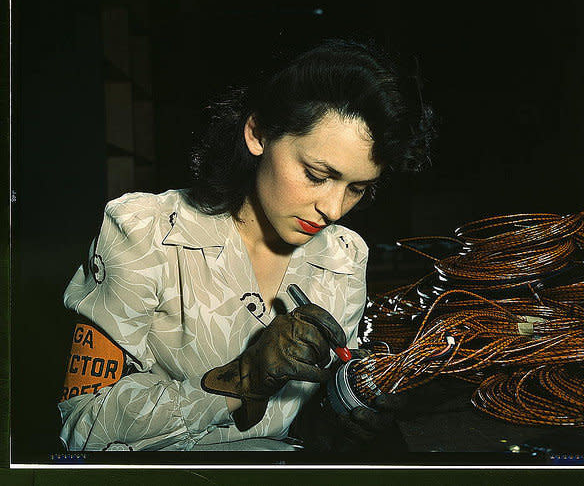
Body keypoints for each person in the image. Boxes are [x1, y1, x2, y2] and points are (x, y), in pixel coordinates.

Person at [58, 38, 434, 452]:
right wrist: (243, 378)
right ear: (258, 134)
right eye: (316, 174)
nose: (334, 209)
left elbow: (306, 423)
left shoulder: (344, 256)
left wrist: (348, 413)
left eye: (357, 188)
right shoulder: (146, 231)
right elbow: (80, 427)